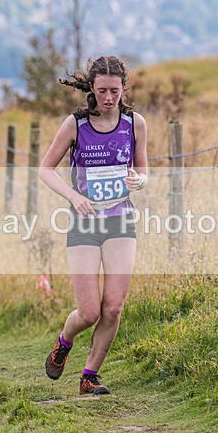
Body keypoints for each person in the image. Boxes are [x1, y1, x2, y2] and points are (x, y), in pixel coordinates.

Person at [40, 56, 148, 395]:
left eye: (115, 91)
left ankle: (90, 376)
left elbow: (143, 168)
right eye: (102, 91)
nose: (109, 98)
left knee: (113, 307)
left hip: (120, 220)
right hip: (84, 223)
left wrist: (140, 181)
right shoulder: (75, 125)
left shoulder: (135, 124)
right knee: (88, 313)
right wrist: (74, 196)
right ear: (91, 88)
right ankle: (64, 342)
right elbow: (45, 169)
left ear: (124, 89)